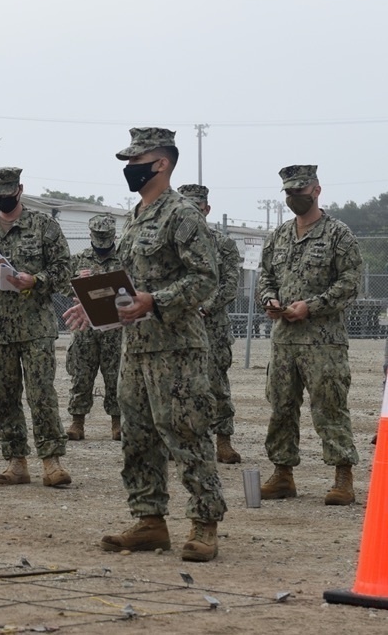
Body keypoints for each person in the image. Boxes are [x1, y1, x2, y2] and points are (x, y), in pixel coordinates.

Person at [65, 128, 225, 562]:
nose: (129, 168)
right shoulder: (136, 216)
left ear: (162, 163)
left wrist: (157, 301)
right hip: (135, 348)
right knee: (137, 437)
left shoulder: (182, 214)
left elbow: (205, 280)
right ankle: (149, 521)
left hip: (176, 347)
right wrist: (93, 304)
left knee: (186, 433)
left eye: (137, 160)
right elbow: (129, 283)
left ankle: (204, 524)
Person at [0, 167, 73, 488]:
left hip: (35, 326)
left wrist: (36, 280)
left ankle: (51, 461)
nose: (3, 199)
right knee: (4, 398)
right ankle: (16, 461)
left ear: (19, 190)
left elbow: (64, 269)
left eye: (8, 194)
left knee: (42, 396)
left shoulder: (44, 227)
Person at [258, 165, 361, 505]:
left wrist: (313, 306)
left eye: (300, 192)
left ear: (316, 190)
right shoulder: (279, 236)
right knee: (282, 407)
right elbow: (266, 277)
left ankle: (342, 477)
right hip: (284, 339)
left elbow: (350, 283)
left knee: (329, 406)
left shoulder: (338, 234)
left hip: (323, 341)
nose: (294, 199)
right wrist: (269, 300)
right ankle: (283, 474)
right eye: (288, 193)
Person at [178, 184, 243, 464]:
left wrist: (205, 306)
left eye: (198, 207)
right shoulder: (172, 244)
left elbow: (230, 284)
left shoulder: (223, 244)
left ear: (206, 209)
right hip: (178, 325)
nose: (193, 212)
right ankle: (181, 440)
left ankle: (223, 440)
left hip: (212, 326)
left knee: (216, 383)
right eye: (187, 207)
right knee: (178, 385)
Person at [65, 213, 123, 442]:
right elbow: (62, 286)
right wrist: (78, 281)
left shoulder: (124, 260)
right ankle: (77, 422)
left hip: (114, 327)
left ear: (114, 236)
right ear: (90, 236)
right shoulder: (78, 260)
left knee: (115, 375)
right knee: (81, 374)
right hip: (84, 329)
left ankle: (117, 423)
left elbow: (133, 289)